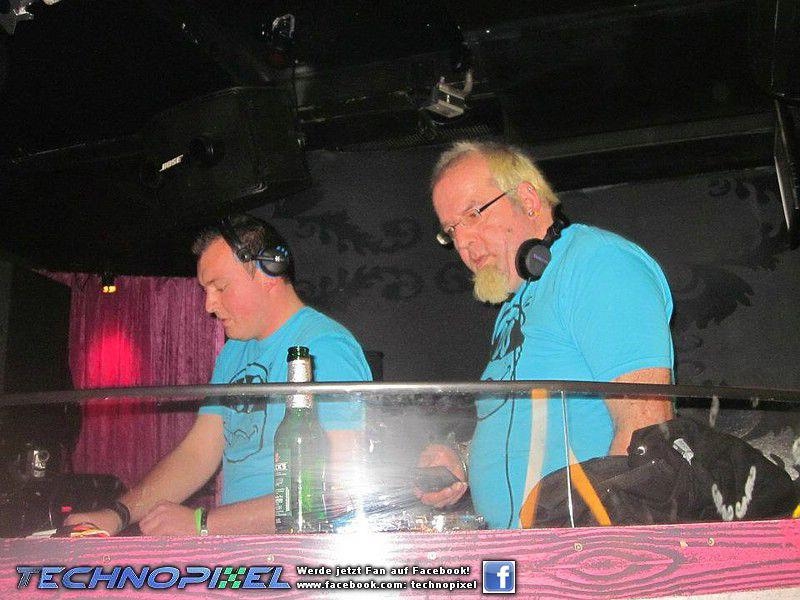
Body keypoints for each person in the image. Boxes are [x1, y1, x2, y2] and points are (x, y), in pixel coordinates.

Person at [417, 141, 674, 529]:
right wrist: (463, 462)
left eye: (474, 214)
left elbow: (646, 433)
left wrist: (597, 548)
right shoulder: (516, 303)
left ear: (528, 200)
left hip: (575, 552)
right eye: (452, 230)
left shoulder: (596, 263)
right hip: (519, 553)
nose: (463, 242)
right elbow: (531, 431)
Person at [66, 214, 370, 535]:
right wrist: (117, 514)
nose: (209, 305)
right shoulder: (233, 352)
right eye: (206, 290)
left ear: (269, 273)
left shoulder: (324, 347)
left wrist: (202, 523)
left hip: (297, 550)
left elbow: (336, 492)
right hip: (239, 547)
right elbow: (197, 454)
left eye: (221, 287)